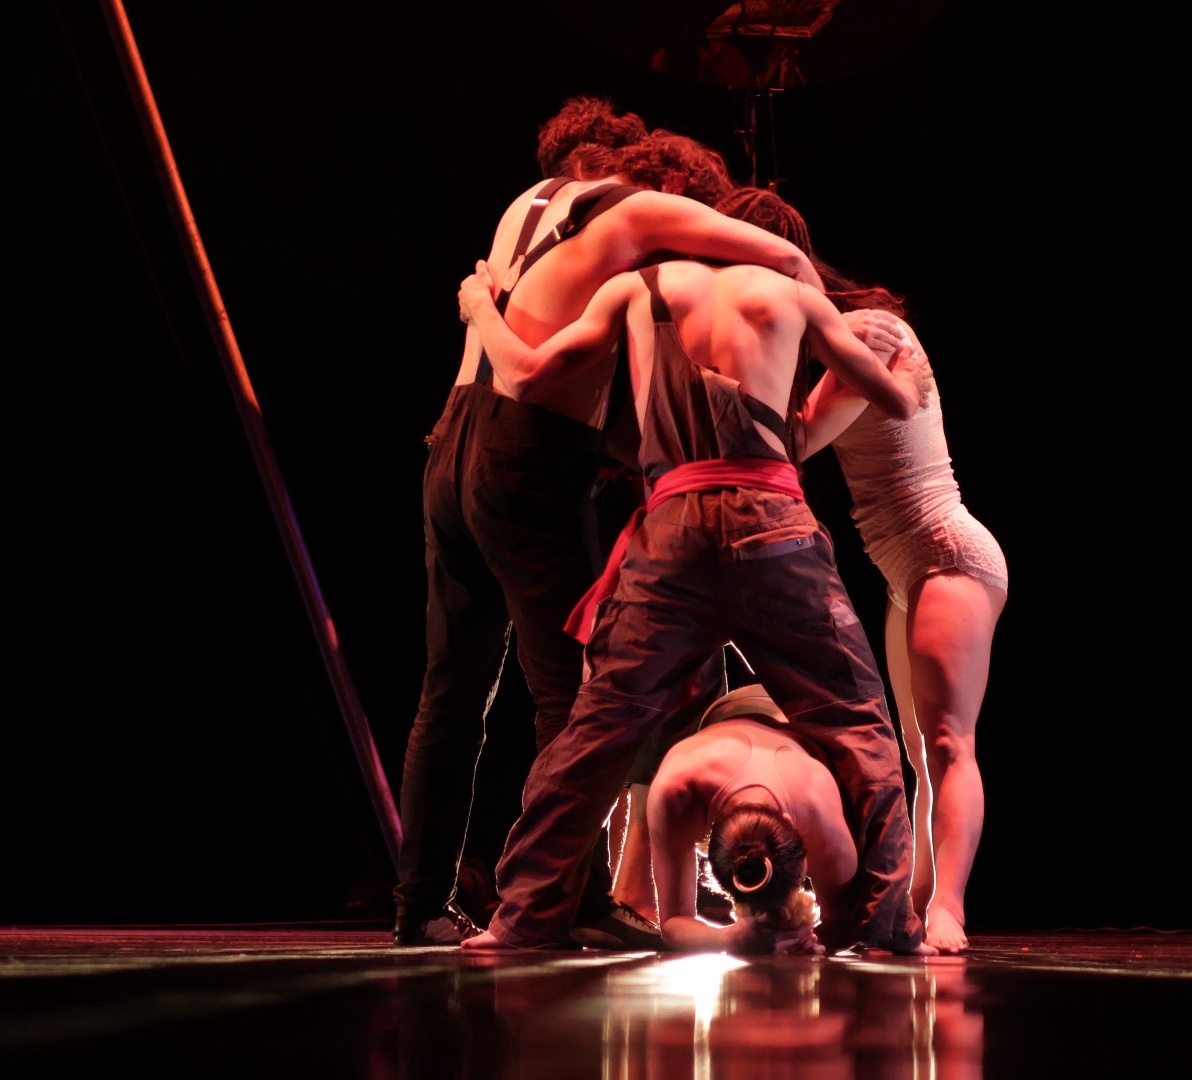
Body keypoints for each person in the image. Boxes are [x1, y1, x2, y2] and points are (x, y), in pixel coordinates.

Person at [392, 98, 822, 947]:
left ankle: (420, 906)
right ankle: (569, 902)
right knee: (572, 696)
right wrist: (798, 359)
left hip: (451, 445)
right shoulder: (638, 206)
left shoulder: (525, 204)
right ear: (665, 181)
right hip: (526, 457)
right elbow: (780, 253)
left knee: (450, 694)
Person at [452, 226, 935, 955]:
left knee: (595, 734)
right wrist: (873, 356)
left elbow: (522, 376)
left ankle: (522, 921)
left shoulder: (636, 289)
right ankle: (883, 927)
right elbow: (896, 401)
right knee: (858, 726)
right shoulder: (792, 294)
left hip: (672, 535)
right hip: (774, 532)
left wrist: (480, 308)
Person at [717, 188, 1009, 954]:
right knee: (915, 749)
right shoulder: (834, 336)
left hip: (945, 551)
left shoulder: (868, 333)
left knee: (948, 742)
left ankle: (950, 908)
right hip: (908, 568)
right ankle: (917, 898)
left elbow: (797, 440)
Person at [644, 684, 855, 954]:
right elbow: (672, 923)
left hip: (802, 710)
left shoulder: (820, 811)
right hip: (731, 711)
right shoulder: (676, 788)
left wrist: (805, 941)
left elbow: (843, 925)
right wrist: (727, 939)